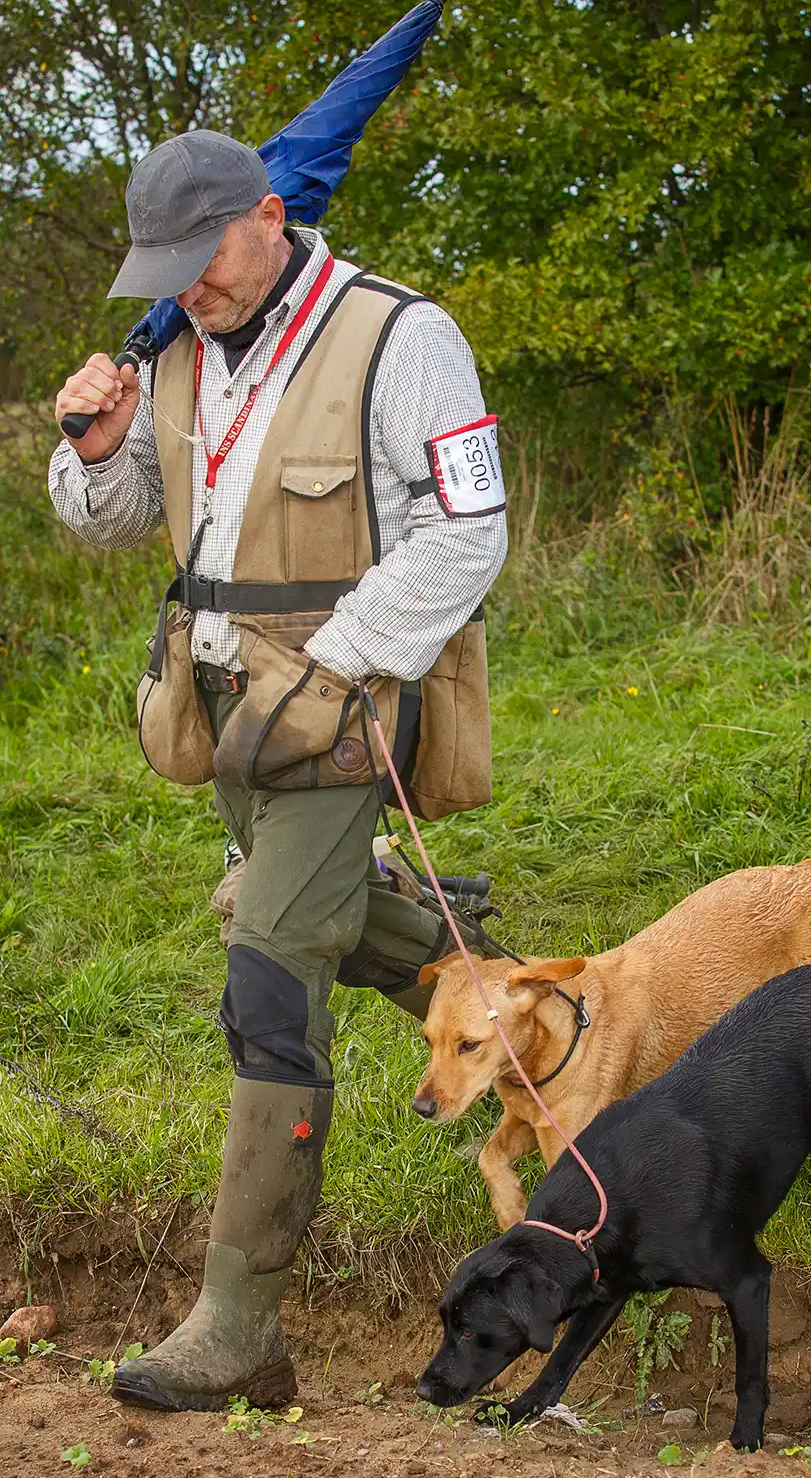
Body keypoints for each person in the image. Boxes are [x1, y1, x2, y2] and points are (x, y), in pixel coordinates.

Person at [49, 128, 508, 1411]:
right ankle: (537, 1013)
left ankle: (238, 1324)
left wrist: (345, 660)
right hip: (219, 709)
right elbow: (119, 519)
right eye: (165, 271)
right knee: (321, 919)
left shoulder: (401, 336)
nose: (188, 289)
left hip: (349, 704)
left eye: (204, 259)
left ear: (269, 214)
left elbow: (469, 528)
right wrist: (98, 448)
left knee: (267, 971)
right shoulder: (178, 346)